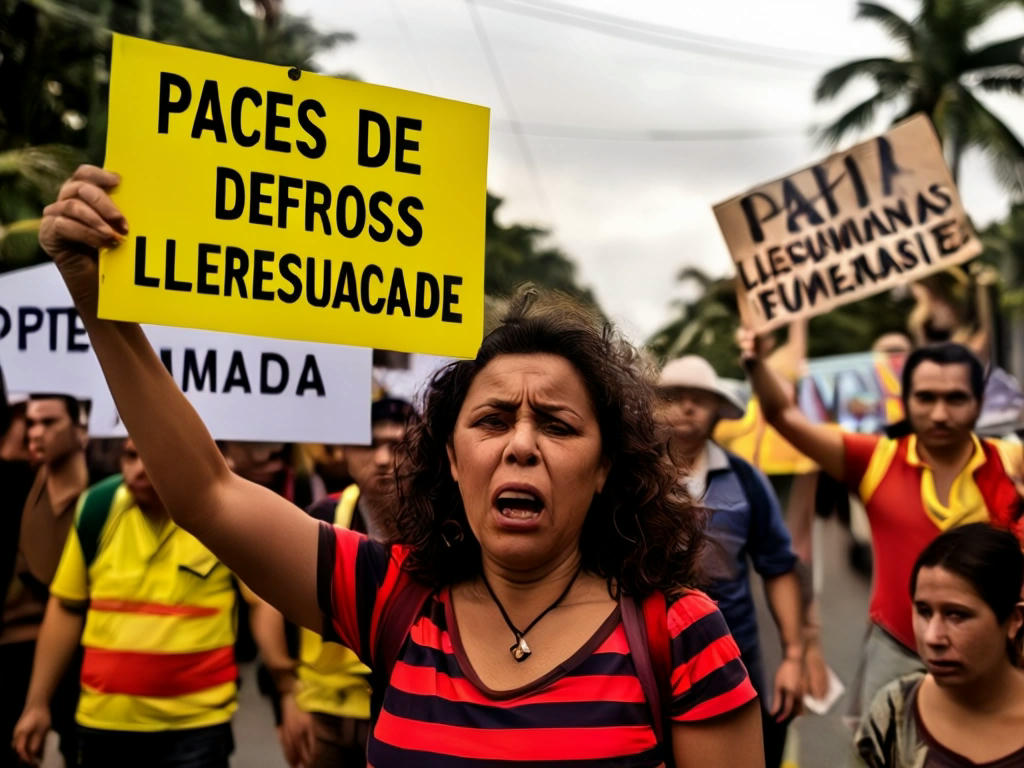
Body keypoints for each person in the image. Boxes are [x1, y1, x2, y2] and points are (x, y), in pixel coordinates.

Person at [34, 164, 765, 766]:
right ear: (451, 458)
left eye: (557, 424)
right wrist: (103, 311)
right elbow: (208, 493)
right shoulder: (390, 597)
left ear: (606, 467)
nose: (519, 443)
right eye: (491, 419)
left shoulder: (679, 633)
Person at [739, 329, 1024, 718]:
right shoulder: (875, 459)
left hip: (994, 658)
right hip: (897, 653)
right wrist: (756, 363)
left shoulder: (1011, 463)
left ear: (978, 403)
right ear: (904, 401)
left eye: (956, 398)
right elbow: (783, 416)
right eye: (926, 398)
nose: (940, 413)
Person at [11, 438, 275, 767]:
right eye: (131, 456)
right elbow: (66, 607)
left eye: (150, 455)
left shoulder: (217, 515)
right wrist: (37, 704)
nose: (138, 468)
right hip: (103, 724)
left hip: (197, 726)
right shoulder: (98, 506)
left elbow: (263, 602)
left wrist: (285, 684)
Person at [657, 355, 809, 768]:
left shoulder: (745, 479)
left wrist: (794, 656)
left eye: (699, 399)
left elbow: (777, 566)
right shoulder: (630, 475)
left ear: (716, 411)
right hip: (649, 650)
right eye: (673, 397)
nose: (687, 407)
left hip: (734, 651)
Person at [258, 396, 415, 768]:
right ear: (344, 450)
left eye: (397, 445)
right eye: (368, 444)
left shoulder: (442, 528)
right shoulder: (321, 518)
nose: (381, 459)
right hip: (323, 712)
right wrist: (286, 694)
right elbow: (270, 606)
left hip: (404, 710)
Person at [856, 523, 1024, 767]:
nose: (932, 637)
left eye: (957, 615)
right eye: (924, 611)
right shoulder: (893, 713)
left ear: (1013, 621)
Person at [2, 394, 89, 766]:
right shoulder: (15, 488)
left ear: (79, 429)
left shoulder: (105, 494)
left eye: (49, 423)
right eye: (31, 423)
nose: (36, 433)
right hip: (13, 646)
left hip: (81, 646)